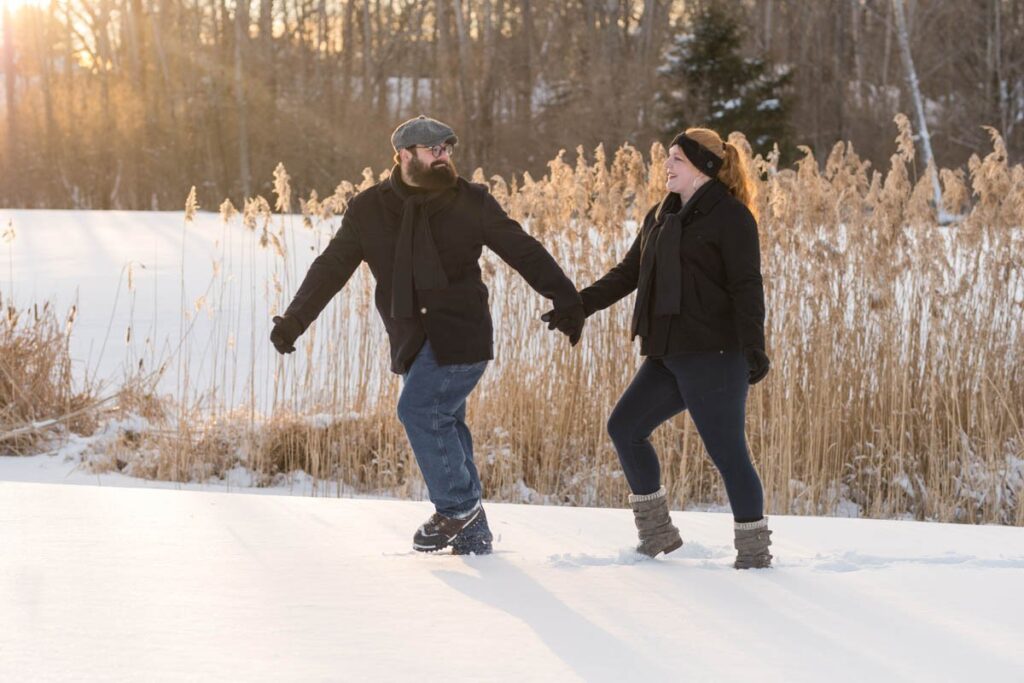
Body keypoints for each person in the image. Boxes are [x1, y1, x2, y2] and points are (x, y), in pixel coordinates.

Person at [271, 115, 584, 555]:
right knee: (448, 422)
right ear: (404, 155)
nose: (444, 158)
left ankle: (457, 508)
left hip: (462, 334)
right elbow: (331, 267)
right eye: (434, 150)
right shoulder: (369, 209)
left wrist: (566, 298)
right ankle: (474, 534)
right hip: (410, 338)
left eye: (447, 150)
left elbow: (521, 248)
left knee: (418, 410)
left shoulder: (469, 201)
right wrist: (293, 320)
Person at [543, 128, 772, 568]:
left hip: (713, 355)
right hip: (666, 351)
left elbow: (747, 286)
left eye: (677, 160)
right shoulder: (660, 216)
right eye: (668, 157)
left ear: (704, 168)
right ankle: (657, 533)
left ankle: (754, 552)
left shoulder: (732, 218)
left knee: (728, 454)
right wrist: (580, 306)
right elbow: (629, 272)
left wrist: (754, 345)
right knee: (625, 428)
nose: (667, 165)